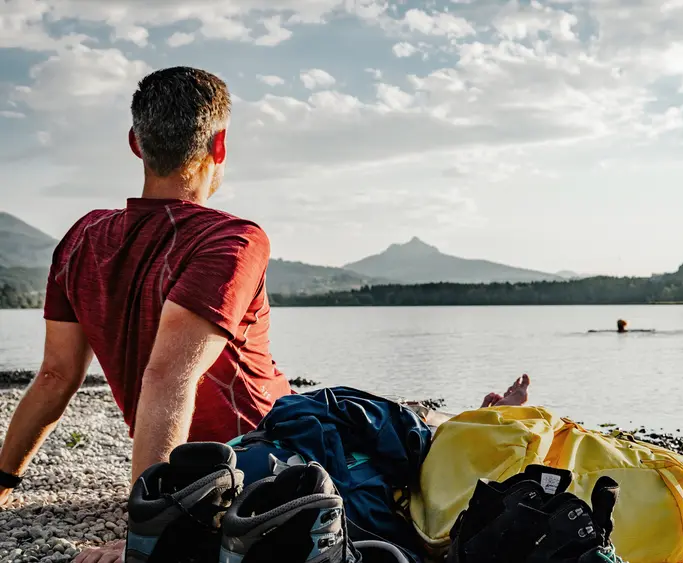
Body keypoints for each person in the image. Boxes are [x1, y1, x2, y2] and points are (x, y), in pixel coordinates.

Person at [0, 67, 530, 563]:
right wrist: (147, 534)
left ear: (137, 144)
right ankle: (479, 424)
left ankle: (467, 420)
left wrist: (3, 483)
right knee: (378, 428)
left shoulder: (83, 237)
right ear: (220, 144)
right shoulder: (230, 238)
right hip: (268, 449)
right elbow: (166, 375)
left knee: (387, 415)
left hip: (212, 454)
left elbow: (55, 376)